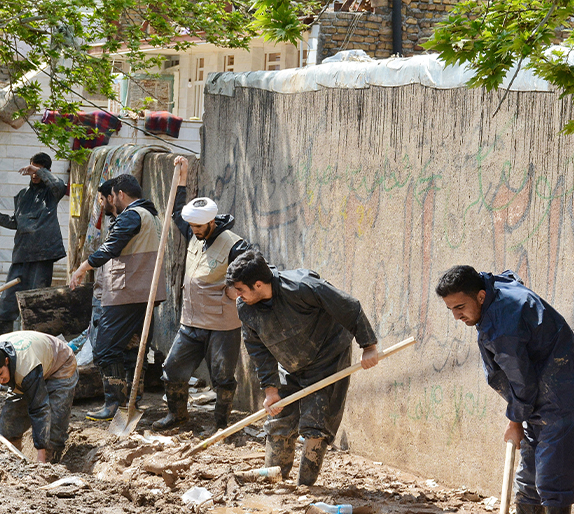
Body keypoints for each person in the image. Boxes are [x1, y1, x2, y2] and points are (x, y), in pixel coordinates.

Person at [436, 265, 574, 514]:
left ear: (480, 297)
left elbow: (520, 381)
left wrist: (514, 420)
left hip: (564, 401)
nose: (456, 316)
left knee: (553, 482)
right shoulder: (491, 289)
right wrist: (521, 415)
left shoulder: (502, 324)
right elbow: (507, 275)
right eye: (450, 309)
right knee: (529, 480)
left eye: (460, 307)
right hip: (541, 399)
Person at [226, 250, 379, 486]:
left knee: (316, 423)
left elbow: (349, 306)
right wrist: (270, 389)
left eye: (240, 289)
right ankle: (275, 472)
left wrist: (368, 345)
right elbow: (257, 348)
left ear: (258, 284)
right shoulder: (245, 307)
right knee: (279, 416)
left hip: (327, 357)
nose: (237, 295)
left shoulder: (302, 287)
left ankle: (305, 487)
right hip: (290, 360)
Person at [153, 156, 251, 431]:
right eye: (191, 227)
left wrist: (235, 289)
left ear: (211, 222)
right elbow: (176, 212)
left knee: (222, 376)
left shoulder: (235, 244)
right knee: (172, 369)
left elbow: (254, 270)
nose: (193, 232)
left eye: (198, 227)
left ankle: (221, 424)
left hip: (221, 324)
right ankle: (177, 416)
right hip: (191, 322)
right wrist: (181, 178)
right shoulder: (195, 231)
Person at [69, 173, 164, 420]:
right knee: (132, 347)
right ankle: (133, 401)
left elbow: (111, 248)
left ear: (120, 195)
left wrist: (82, 268)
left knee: (106, 349)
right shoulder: (151, 215)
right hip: (144, 291)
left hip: (127, 291)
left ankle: (114, 404)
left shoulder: (132, 215)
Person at [0, 152, 67, 336]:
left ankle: (33, 345)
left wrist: (39, 170)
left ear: (47, 171)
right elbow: (17, 222)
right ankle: (1, 347)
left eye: (38, 170)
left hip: (42, 256)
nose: (34, 175)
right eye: (32, 169)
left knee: (35, 305)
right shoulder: (23, 195)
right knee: (7, 303)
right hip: (21, 255)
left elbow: (59, 185)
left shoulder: (52, 193)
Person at [0, 330, 79, 463]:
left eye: (1, 375)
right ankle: (13, 459)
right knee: (9, 421)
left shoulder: (25, 368)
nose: (0, 381)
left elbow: (39, 407)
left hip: (60, 364)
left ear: (6, 361)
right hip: (33, 361)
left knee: (55, 423)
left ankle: (49, 462)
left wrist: (41, 455)